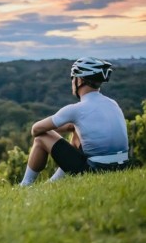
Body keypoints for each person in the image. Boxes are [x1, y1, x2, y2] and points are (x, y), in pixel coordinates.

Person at [19, 57, 129, 186]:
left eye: (73, 78)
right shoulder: (113, 103)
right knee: (77, 129)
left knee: (41, 138)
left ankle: (25, 185)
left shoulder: (75, 110)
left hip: (95, 170)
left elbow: (36, 129)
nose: (72, 82)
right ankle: (53, 182)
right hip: (122, 166)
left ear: (80, 80)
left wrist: (64, 127)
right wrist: (72, 126)